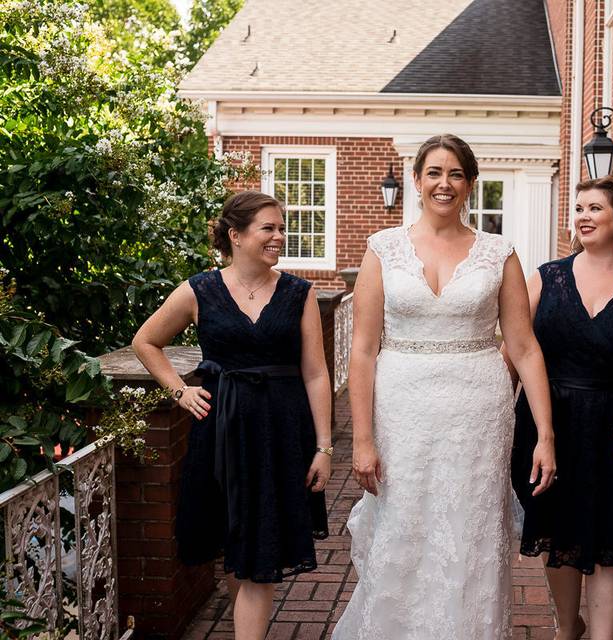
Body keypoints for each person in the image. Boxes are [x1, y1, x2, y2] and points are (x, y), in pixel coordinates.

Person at [333, 134, 556, 639]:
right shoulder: (382, 249)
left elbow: (524, 348)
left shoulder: (500, 253)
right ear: (416, 180)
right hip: (401, 408)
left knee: (469, 531)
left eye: (456, 174)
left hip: (478, 410)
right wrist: (363, 440)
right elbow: (363, 350)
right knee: (403, 526)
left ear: (471, 184)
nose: (444, 183)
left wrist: (545, 433)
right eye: (434, 172)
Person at [132, 191, 332, 640]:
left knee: (261, 559)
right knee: (236, 547)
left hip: (280, 434)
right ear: (236, 236)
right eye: (269, 228)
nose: (279, 236)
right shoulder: (198, 290)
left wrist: (323, 447)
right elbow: (146, 341)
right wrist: (180, 391)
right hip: (221, 434)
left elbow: (317, 374)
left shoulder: (300, 293)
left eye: (281, 227)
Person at [507, 175, 613, 640]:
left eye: (595, 208)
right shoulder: (545, 277)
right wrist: (498, 419)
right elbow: (515, 353)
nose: (582, 216)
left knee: (610, 538)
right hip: (549, 420)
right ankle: (568, 628)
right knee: (557, 532)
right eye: (578, 208)